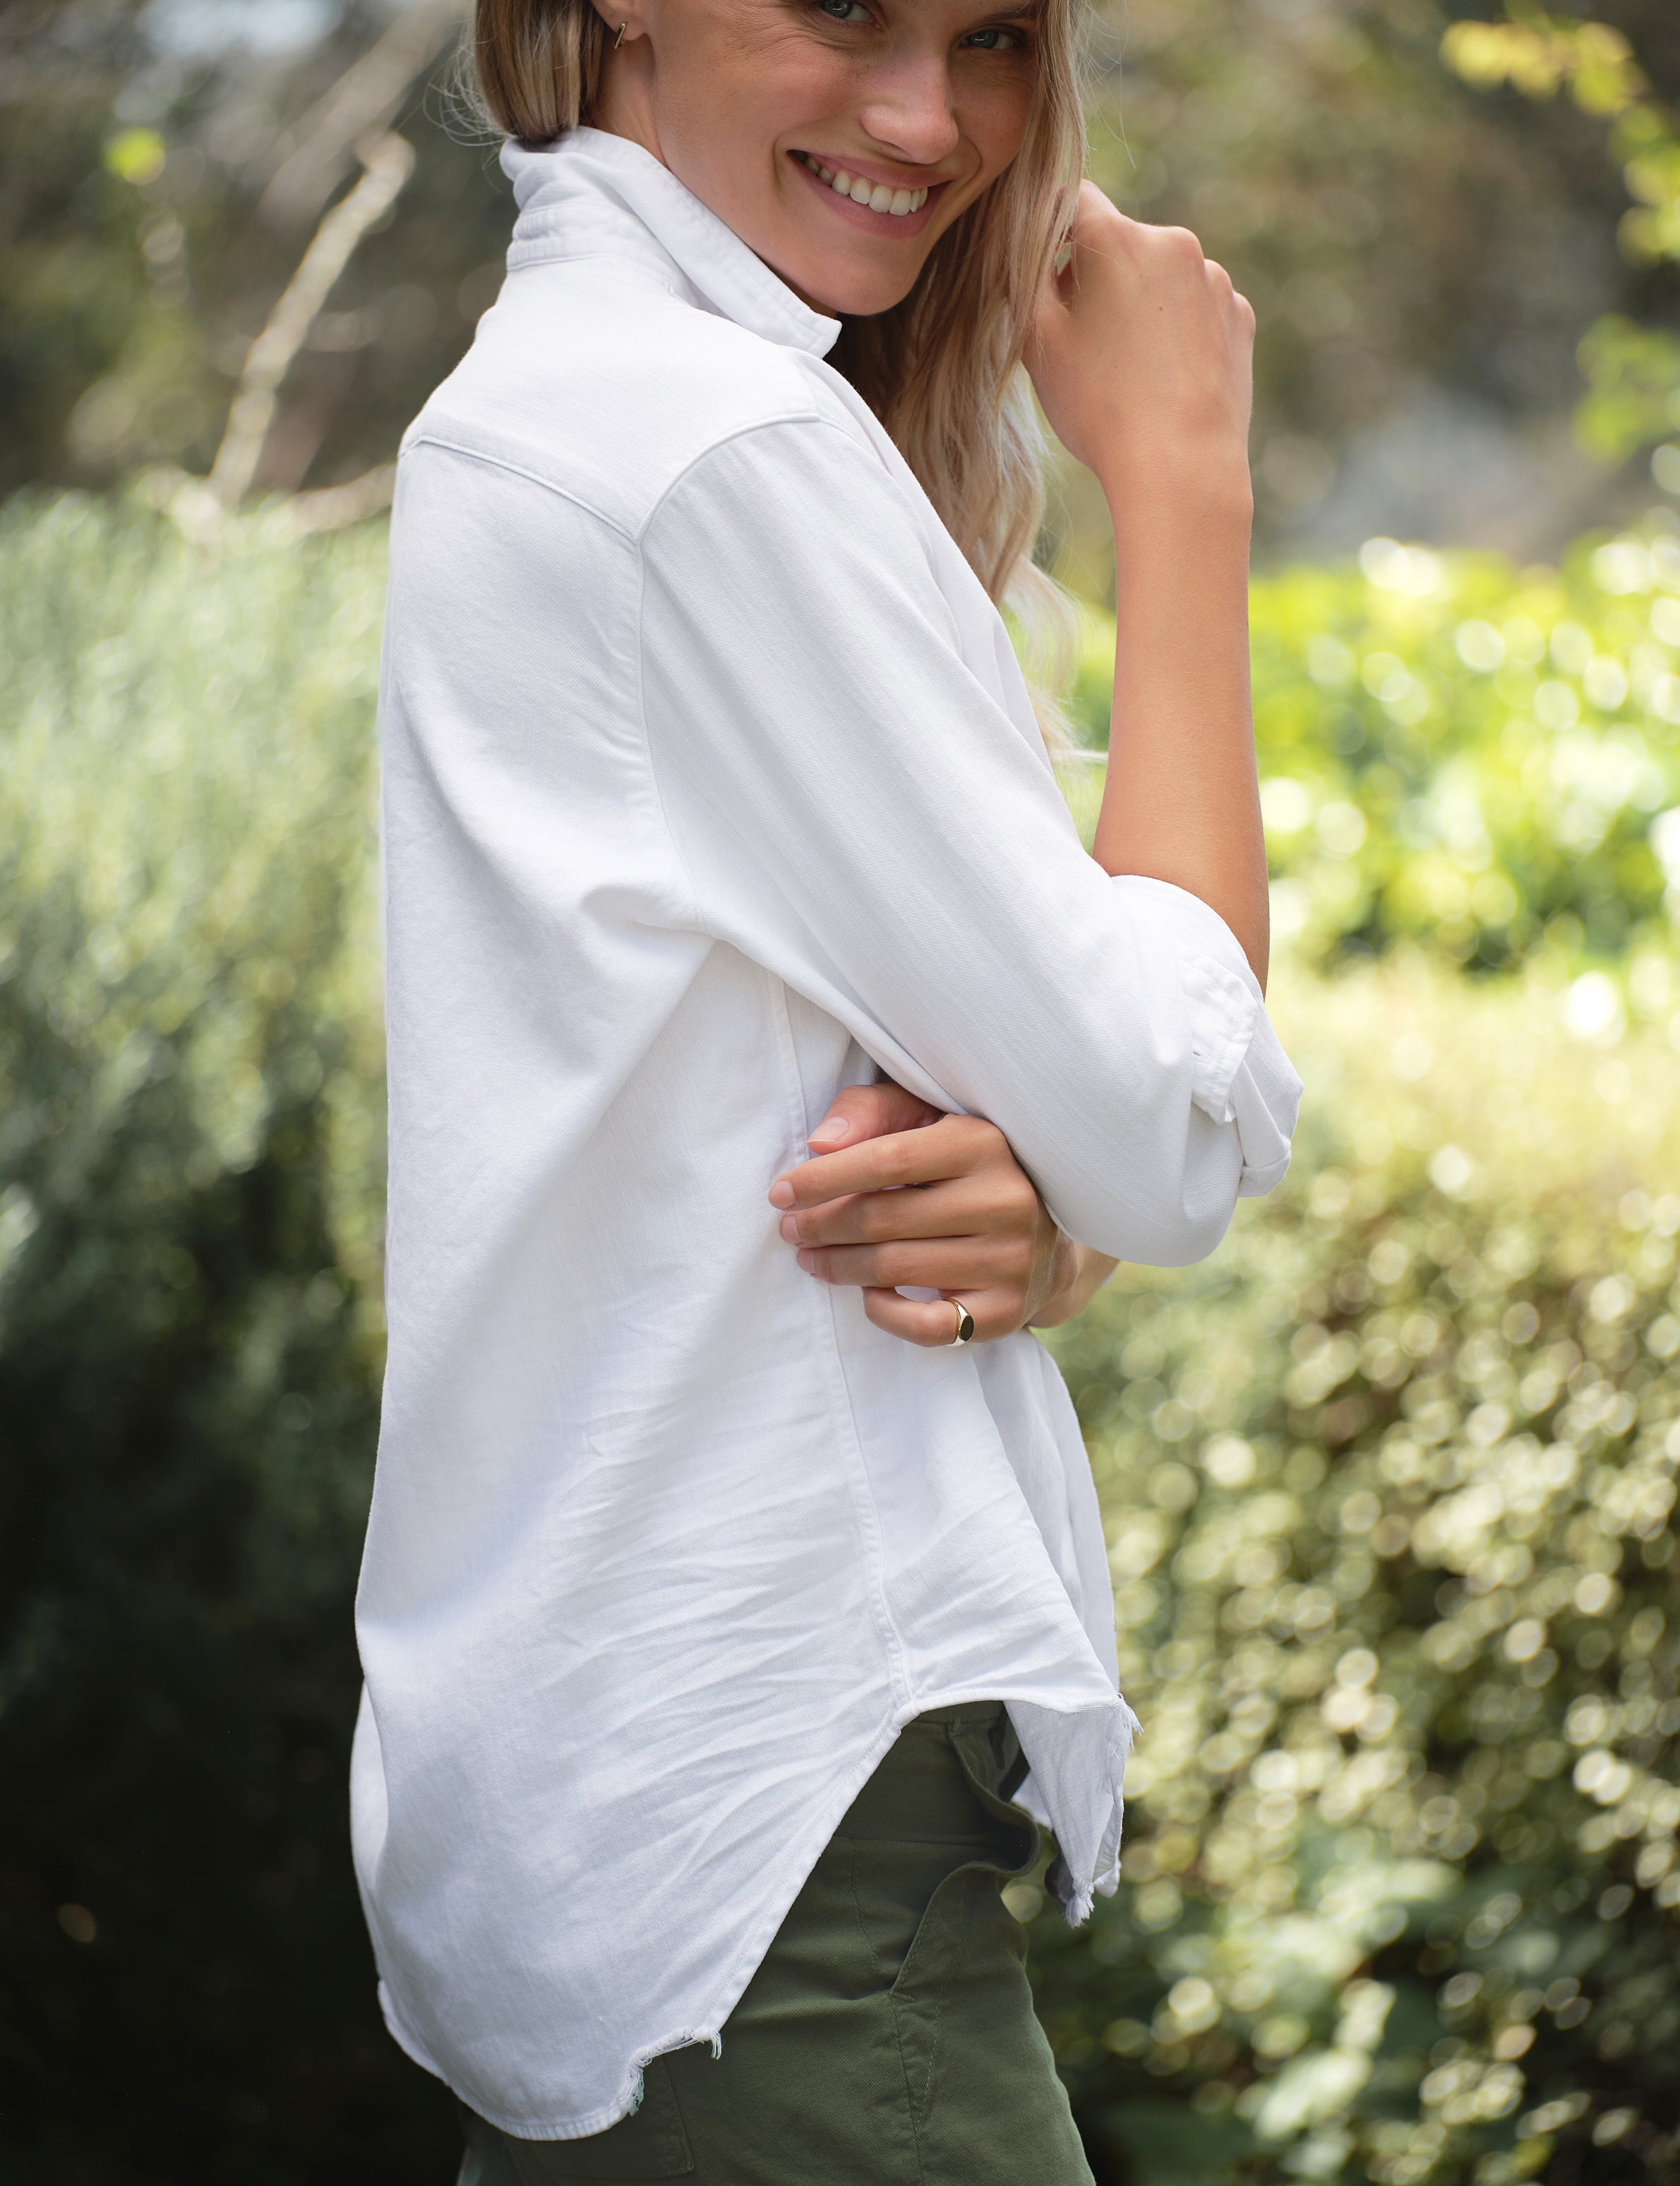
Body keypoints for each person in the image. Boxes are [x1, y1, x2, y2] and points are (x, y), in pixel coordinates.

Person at [354, 0, 1302, 2171]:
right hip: (779, 1853)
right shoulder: (705, 445)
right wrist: (1181, 488)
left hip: (651, 1814)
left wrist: (1033, 1208)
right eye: (847, 16)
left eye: (980, 37)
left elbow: (748, 1099)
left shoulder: (558, 401)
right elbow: (1168, 1123)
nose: (928, 118)